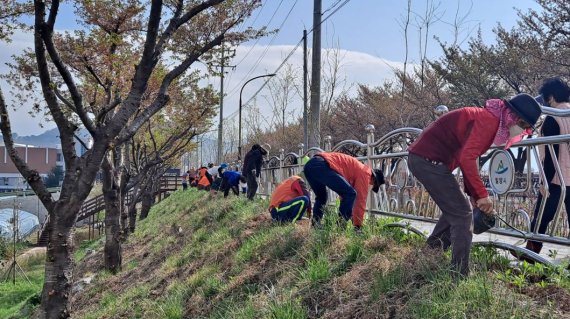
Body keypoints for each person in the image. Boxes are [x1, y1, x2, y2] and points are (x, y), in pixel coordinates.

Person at [407, 93, 542, 276]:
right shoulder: (488, 121)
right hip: (428, 161)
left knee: (456, 209)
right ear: (513, 117)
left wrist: (473, 195)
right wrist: (482, 195)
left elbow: (464, 156)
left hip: (428, 160)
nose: (523, 131)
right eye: (524, 125)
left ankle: (429, 256)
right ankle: (459, 274)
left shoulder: (488, 118)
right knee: (463, 214)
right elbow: (467, 158)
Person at [525, 78, 570, 256]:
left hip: (557, 178)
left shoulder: (553, 118)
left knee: (542, 216)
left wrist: (545, 181)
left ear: (550, 97)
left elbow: (552, 155)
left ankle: (530, 252)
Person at [303, 152, 385, 232]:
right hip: (322, 165)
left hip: (310, 165)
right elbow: (360, 200)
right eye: (373, 184)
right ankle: (340, 228)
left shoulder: (357, 168)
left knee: (322, 197)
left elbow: (344, 197)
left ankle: (315, 226)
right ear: (374, 179)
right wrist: (358, 225)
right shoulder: (366, 173)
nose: (370, 184)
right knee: (350, 194)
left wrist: (351, 214)